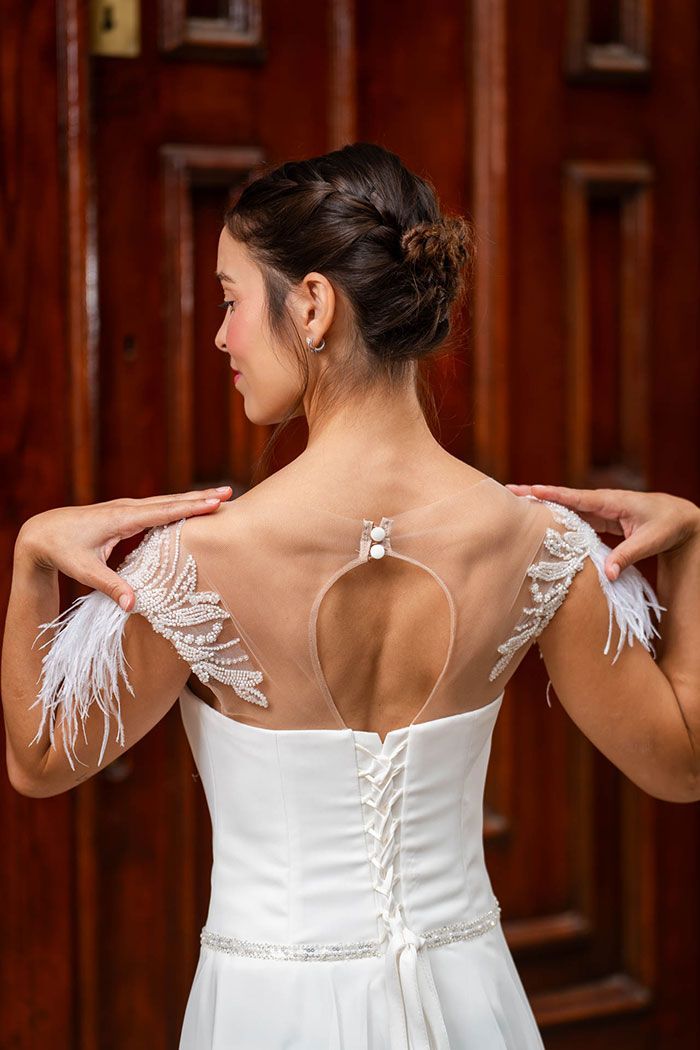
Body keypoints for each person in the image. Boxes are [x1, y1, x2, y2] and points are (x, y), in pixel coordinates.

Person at [2, 142, 699, 1050]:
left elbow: (40, 762)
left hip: (268, 1013)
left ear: (314, 303)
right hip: (471, 1001)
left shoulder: (197, 563)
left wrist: (28, 564)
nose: (220, 337)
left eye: (229, 299)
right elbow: (681, 765)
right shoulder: (538, 544)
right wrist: (688, 548)